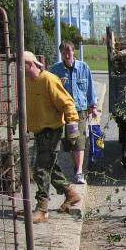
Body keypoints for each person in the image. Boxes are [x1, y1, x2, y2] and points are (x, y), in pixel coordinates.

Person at [24, 51, 82, 224]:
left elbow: (67, 102)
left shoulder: (49, 79)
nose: (20, 68)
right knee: (50, 166)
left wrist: (72, 127)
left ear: (32, 64)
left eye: (23, 64)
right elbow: (28, 103)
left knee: (40, 169)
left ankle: (42, 209)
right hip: (40, 131)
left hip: (52, 130)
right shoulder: (28, 81)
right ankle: (71, 194)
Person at [50, 41, 99, 184]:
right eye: (63, 53)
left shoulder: (84, 68)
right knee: (68, 143)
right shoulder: (55, 70)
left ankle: (78, 172)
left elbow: (90, 88)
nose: (66, 55)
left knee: (79, 141)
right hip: (63, 112)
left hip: (80, 111)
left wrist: (93, 106)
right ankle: (75, 166)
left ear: (73, 52)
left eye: (68, 52)